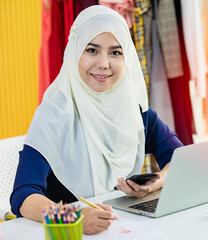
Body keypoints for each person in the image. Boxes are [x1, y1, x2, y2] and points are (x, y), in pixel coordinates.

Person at [10, 5, 183, 235]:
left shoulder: (135, 111)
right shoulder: (54, 114)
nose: (104, 63)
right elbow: (24, 197)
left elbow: (179, 158)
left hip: (120, 229)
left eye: (115, 52)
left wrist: (157, 181)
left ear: (127, 57)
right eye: (92, 50)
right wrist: (74, 218)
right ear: (75, 53)